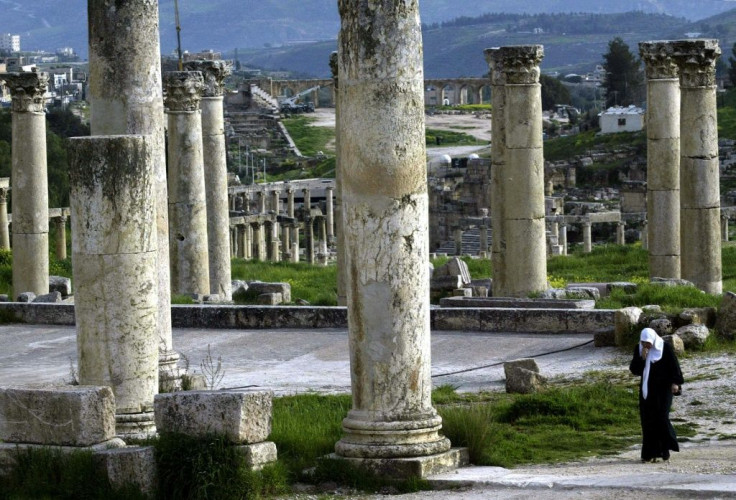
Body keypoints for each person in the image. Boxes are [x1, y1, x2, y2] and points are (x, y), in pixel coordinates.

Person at [629, 327, 684, 462]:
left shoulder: (664, 347)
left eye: (648, 342)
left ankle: (666, 447)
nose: (646, 345)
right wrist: (642, 358)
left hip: (664, 389)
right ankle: (649, 453)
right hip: (647, 389)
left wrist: (676, 382)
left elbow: (674, 366)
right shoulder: (639, 349)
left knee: (661, 417)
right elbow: (635, 370)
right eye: (644, 342)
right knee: (648, 421)